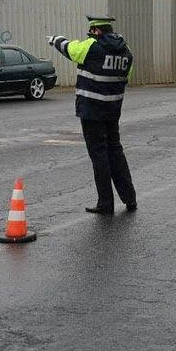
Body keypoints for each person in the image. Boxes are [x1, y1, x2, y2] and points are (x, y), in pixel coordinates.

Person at [48, 17, 137, 214]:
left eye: (91, 33)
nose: (90, 36)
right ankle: (130, 198)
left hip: (91, 111)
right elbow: (126, 78)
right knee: (115, 151)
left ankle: (105, 203)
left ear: (96, 31)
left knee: (99, 156)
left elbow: (69, 49)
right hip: (113, 110)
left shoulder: (92, 46)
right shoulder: (127, 52)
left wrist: (55, 39)